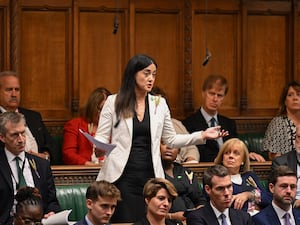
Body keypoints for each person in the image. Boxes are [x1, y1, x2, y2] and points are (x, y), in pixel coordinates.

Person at [94, 54, 228, 223]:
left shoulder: (159, 103)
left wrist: (202, 135)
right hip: (123, 178)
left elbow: (171, 139)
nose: (151, 79)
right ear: (133, 73)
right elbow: (101, 137)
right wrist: (99, 148)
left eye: (154, 74)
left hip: (151, 178)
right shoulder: (114, 102)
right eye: (146, 73)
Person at [182, 74, 264, 162]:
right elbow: (198, 152)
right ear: (203, 94)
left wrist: (246, 155)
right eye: (212, 93)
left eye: (219, 95)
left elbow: (235, 147)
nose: (215, 99)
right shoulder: (189, 123)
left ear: (223, 98)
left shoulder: (229, 123)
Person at [0, 111, 61, 225]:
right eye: (14, 135)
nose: (21, 140)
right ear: (2, 137)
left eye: (23, 133)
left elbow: (52, 201)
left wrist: (52, 213)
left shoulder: (42, 165)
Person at [0, 71, 54, 161]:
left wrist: (45, 156)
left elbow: (51, 145)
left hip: (40, 169)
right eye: (9, 90)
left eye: (17, 90)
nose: (14, 94)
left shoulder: (33, 117)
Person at [214, 138, 272, 214]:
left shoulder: (250, 176)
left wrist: (249, 195)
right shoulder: (217, 179)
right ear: (222, 158)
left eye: (236, 153)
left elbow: (268, 199)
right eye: (227, 153)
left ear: (243, 160)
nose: (231, 156)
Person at [186, 165, 254, 225]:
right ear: (208, 189)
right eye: (220, 188)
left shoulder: (244, 218)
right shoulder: (196, 218)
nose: (227, 193)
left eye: (229, 186)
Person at [62, 87, 111, 165]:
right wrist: (87, 164)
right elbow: (68, 154)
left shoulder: (116, 127)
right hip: (85, 172)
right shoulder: (75, 125)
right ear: (92, 107)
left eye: (108, 110)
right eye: (101, 109)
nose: (104, 114)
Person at [160, 141, 206, 224]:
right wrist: (172, 216)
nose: (169, 147)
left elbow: (200, 200)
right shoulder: (150, 173)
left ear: (178, 151)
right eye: (164, 143)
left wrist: (194, 216)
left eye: (173, 145)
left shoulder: (186, 173)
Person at [151, 86, 199, 163]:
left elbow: (191, 148)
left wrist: (190, 160)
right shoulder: (144, 126)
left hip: (180, 167)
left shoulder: (176, 124)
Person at [262, 81, 300, 160]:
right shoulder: (278, 123)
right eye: (290, 95)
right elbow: (274, 156)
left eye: (299, 95)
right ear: (285, 101)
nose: (295, 98)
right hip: (287, 168)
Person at [272, 125, 300, 208]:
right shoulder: (280, 162)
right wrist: (296, 202)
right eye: (299, 137)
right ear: (295, 138)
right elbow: (274, 193)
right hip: (291, 206)